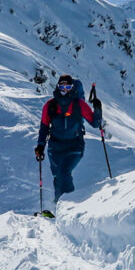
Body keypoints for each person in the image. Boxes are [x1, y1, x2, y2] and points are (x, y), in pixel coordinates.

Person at [34, 75, 102, 208]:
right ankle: (58, 205)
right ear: (58, 87)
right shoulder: (50, 106)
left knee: (63, 172)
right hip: (55, 148)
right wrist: (40, 146)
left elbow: (95, 123)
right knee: (57, 177)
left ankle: (70, 207)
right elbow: (44, 128)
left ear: (72, 88)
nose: (64, 90)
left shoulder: (79, 104)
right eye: (62, 86)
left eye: (68, 87)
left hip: (75, 146)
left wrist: (98, 109)